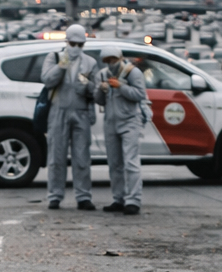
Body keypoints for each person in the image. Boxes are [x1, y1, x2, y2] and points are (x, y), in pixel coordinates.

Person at [38, 24, 99, 210]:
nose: (76, 47)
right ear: (67, 41)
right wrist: (61, 66)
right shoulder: (54, 57)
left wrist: (87, 85)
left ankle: (83, 196)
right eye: (73, 43)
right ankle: (55, 195)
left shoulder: (90, 62)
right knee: (56, 155)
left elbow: (96, 91)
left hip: (81, 111)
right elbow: (47, 80)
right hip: (58, 110)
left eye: (80, 44)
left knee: (82, 157)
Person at [96, 43, 146, 215]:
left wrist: (121, 86)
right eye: (107, 60)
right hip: (111, 121)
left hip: (130, 120)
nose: (111, 63)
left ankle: (133, 200)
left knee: (131, 162)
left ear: (120, 58)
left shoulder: (133, 72)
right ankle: (119, 198)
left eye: (113, 59)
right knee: (114, 163)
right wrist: (100, 90)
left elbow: (140, 95)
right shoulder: (102, 74)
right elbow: (100, 101)